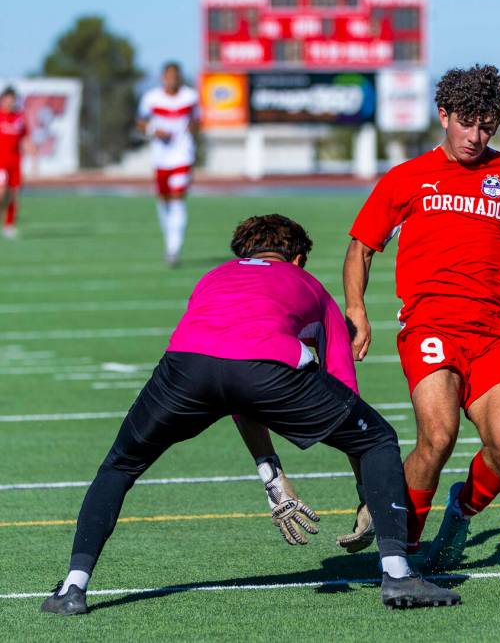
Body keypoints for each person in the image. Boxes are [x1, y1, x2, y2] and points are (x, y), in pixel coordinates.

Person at [40, 214, 459, 615]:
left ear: (242, 252)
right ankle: (398, 574)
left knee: (120, 465)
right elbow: (344, 393)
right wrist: (367, 492)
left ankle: (73, 587)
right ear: (297, 258)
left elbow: (232, 382)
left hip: (186, 366)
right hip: (266, 368)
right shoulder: (308, 283)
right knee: (378, 437)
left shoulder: (213, 277)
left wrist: (271, 476)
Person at [340, 66, 500, 570]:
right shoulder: (407, 177)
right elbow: (361, 247)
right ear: (444, 115)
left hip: (497, 332)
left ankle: (460, 512)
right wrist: (357, 310)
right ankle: (403, 554)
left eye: (487, 126)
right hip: (430, 326)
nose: (476, 137)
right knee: (437, 436)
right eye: (466, 123)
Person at [136, 62, 199, 267]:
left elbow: (198, 119)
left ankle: (174, 248)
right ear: (163, 77)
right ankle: (169, 241)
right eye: (168, 76)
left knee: (177, 197)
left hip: (182, 155)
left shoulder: (190, 97)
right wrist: (155, 129)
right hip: (160, 157)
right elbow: (141, 121)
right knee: (163, 200)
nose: (172, 79)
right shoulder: (151, 98)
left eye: (175, 76)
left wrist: (192, 128)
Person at [0, 86, 32, 239]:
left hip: (15, 162)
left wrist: (33, 156)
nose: (10, 103)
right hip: (1, 163)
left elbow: (25, 139)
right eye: (7, 99)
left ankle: (9, 225)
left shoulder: (19, 118)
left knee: (14, 195)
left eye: (12, 100)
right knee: (1, 192)